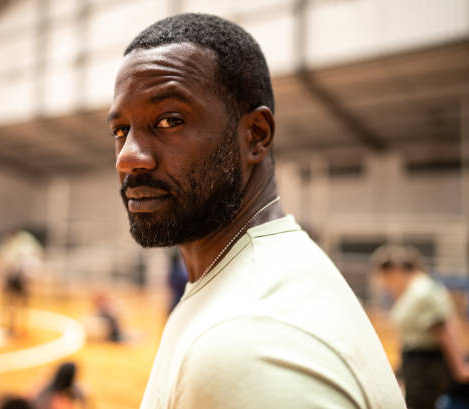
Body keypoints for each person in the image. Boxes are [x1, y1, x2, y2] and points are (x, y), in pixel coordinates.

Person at [108, 13, 405, 408]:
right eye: (120, 130)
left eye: (169, 121)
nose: (128, 158)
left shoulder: (249, 340)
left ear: (256, 136)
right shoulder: (256, 280)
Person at [372, 245, 469, 409]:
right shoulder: (412, 291)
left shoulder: (423, 290)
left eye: (386, 279)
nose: (386, 285)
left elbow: (445, 329)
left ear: (395, 271)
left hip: (427, 366)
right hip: (416, 364)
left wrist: (459, 368)